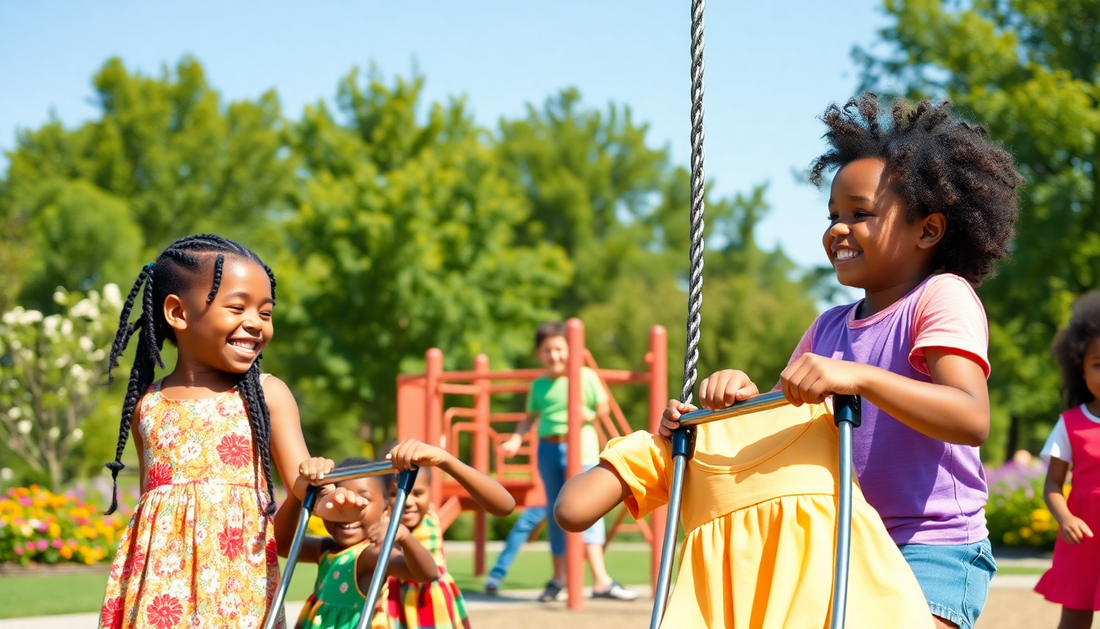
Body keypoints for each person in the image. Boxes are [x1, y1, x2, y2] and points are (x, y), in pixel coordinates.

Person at [656, 93, 1022, 629]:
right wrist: (730, 404)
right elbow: (787, 426)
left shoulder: (940, 297)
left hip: (929, 544)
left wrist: (862, 377)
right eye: (833, 215)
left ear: (928, 229)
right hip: (844, 539)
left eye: (860, 214)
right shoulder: (827, 328)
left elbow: (970, 417)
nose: (837, 229)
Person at [97, 234, 367, 629]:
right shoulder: (147, 406)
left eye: (266, 312)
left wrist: (331, 501)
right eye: (238, 307)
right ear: (178, 312)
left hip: (238, 583)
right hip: (159, 585)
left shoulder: (267, 394)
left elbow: (303, 482)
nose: (255, 323)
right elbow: (151, 509)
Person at [555, 402, 935, 628]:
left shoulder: (821, 413)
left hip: (838, 605)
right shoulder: (682, 446)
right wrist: (669, 437)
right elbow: (573, 510)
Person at [500, 321, 637, 602]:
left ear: (570, 350)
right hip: (548, 449)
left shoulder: (584, 377)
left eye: (560, 349)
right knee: (555, 512)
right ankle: (558, 578)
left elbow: (602, 406)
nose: (555, 356)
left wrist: (584, 416)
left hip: (581, 450)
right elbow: (530, 417)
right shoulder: (539, 385)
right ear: (539, 353)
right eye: (548, 350)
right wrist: (516, 439)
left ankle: (601, 580)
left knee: (588, 509)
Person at [275, 457, 439, 629]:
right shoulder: (325, 549)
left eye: (363, 499)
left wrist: (405, 538)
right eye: (339, 498)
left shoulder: (371, 554)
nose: (348, 509)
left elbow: (427, 574)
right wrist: (297, 494)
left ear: (385, 511)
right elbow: (283, 544)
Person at [381, 439, 516, 628]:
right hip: (395, 612)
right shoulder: (380, 524)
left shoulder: (430, 515)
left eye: (418, 493)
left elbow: (505, 504)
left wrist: (446, 460)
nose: (408, 501)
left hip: (437, 613)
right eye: (396, 493)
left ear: (430, 493)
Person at [1034, 292, 1100, 628]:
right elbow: (1053, 485)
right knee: (1074, 619)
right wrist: (1066, 518)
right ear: (1080, 368)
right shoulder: (1071, 423)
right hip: (1082, 539)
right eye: (1098, 363)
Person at [483, 506, 547, 595]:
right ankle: (496, 575)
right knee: (525, 522)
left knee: (567, 519)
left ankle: (562, 580)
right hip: (542, 498)